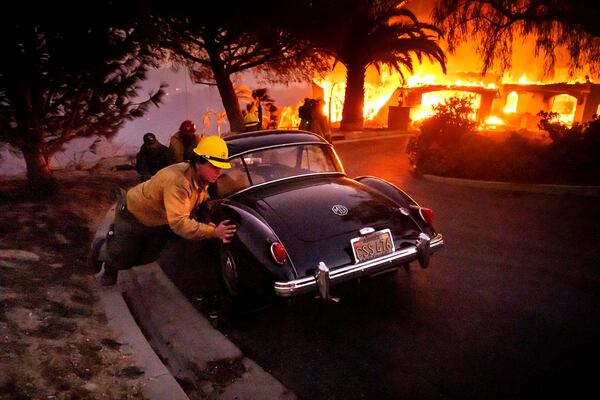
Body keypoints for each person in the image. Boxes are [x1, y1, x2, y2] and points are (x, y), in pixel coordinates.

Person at [99, 136, 237, 286]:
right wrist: (214, 232)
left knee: (149, 256)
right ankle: (103, 252)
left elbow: (201, 201)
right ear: (198, 163)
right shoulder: (178, 183)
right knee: (122, 256)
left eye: (221, 166)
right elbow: (179, 223)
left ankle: (119, 249)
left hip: (158, 218)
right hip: (133, 214)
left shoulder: (202, 177)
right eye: (214, 166)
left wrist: (210, 223)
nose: (219, 171)